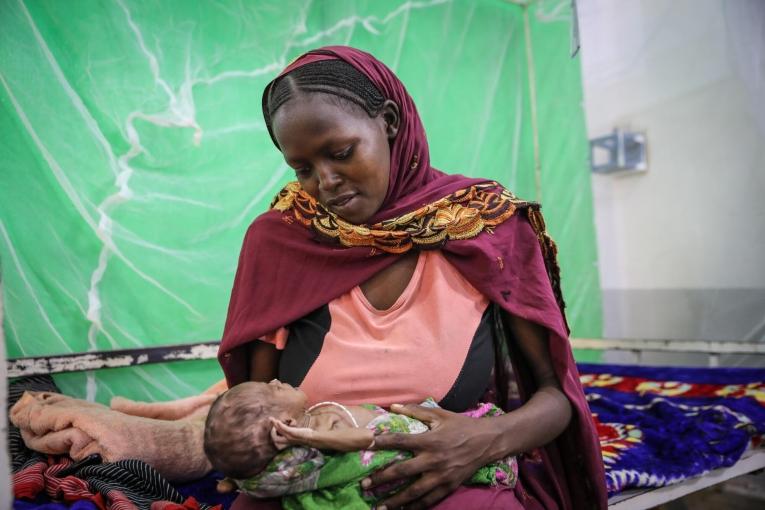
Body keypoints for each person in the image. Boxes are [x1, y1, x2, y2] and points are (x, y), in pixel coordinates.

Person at [218, 46, 607, 509]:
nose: (325, 181)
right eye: (302, 168)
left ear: (389, 121)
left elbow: (555, 396)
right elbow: (256, 399)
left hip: (449, 478)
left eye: (341, 153)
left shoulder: (484, 227)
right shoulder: (283, 238)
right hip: (309, 477)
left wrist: (483, 441)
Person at [203, 380, 516, 508]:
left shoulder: (280, 467)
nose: (274, 381)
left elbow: (256, 477)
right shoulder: (321, 426)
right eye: (271, 392)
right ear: (288, 425)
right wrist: (313, 436)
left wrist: (238, 479)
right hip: (397, 442)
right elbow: (368, 440)